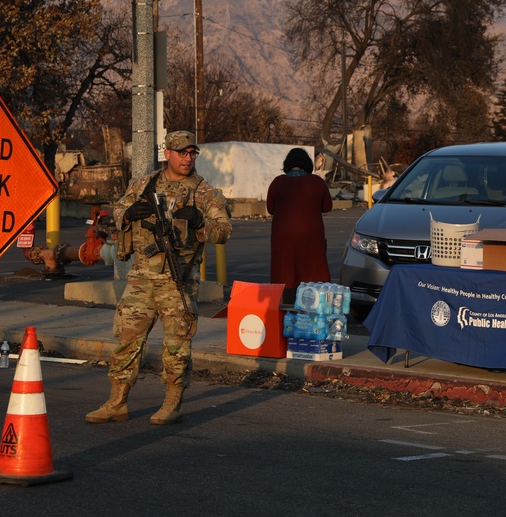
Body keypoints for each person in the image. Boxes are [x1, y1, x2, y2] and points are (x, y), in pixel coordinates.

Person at [86, 131, 232, 425]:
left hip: (177, 281)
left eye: (192, 153)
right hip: (141, 277)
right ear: (168, 154)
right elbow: (118, 211)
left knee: (177, 346)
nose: (187, 158)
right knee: (127, 340)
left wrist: (200, 223)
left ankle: (172, 403)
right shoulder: (144, 184)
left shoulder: (204, 192)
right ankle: (117, 402)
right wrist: (128, 215)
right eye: (182, 153)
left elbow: (224, 231)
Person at [267, 148, 333, 303]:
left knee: (286, 270)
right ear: (307, 164)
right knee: (312, 270)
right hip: (311, 237)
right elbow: (327, 207)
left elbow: (271, 209)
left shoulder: (278, 182)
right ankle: (313, 306)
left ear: (287, 164)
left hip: (283, 237)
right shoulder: (317, 182)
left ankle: (289, 306)